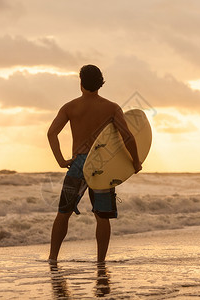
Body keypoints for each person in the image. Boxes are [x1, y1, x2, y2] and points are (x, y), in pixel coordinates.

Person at [47, 65, 141, 263]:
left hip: (78, 163)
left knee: (63, 213)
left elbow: (51, 133)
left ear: (81, 83)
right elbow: (127, 137)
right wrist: (136, 162)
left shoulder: (70, 107)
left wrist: (61, 161)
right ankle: (100, 261)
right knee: (102, 217)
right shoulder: (111, 108)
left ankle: (53, 258)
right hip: (102, 165)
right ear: (101, 83)